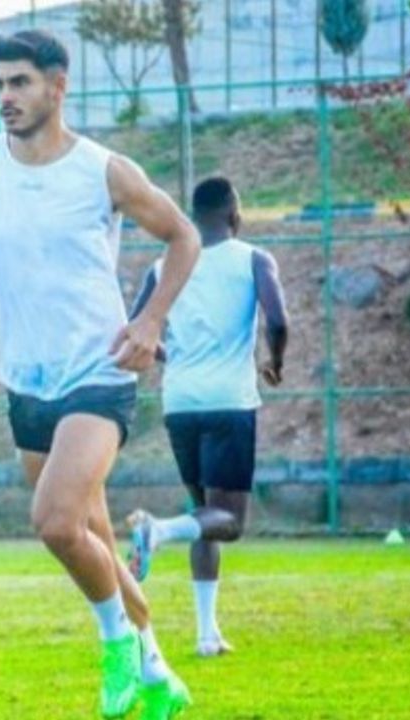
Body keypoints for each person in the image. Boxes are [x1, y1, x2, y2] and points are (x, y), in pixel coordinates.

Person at [0, 30, 200, 720]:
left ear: (57, 86)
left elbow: (183, 237)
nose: (6, 97)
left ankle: (115, 648)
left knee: (53, 522)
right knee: (93, 538)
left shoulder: (104, 171)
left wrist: (150, 322)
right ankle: (158, 671)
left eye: (19, 82)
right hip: (26, 386)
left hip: (99, 375)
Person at [125, 177, 289, 658]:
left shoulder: (164, 267)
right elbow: (278, 321)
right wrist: (275, 363)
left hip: (180, 403)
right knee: (229, 521)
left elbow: (136, 329)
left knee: (204, 517)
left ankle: (206, 634)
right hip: (229, 402)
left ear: (193, 219)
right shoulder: (253, 259)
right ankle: (158, 530)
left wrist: (173, 357)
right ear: (235, 216)